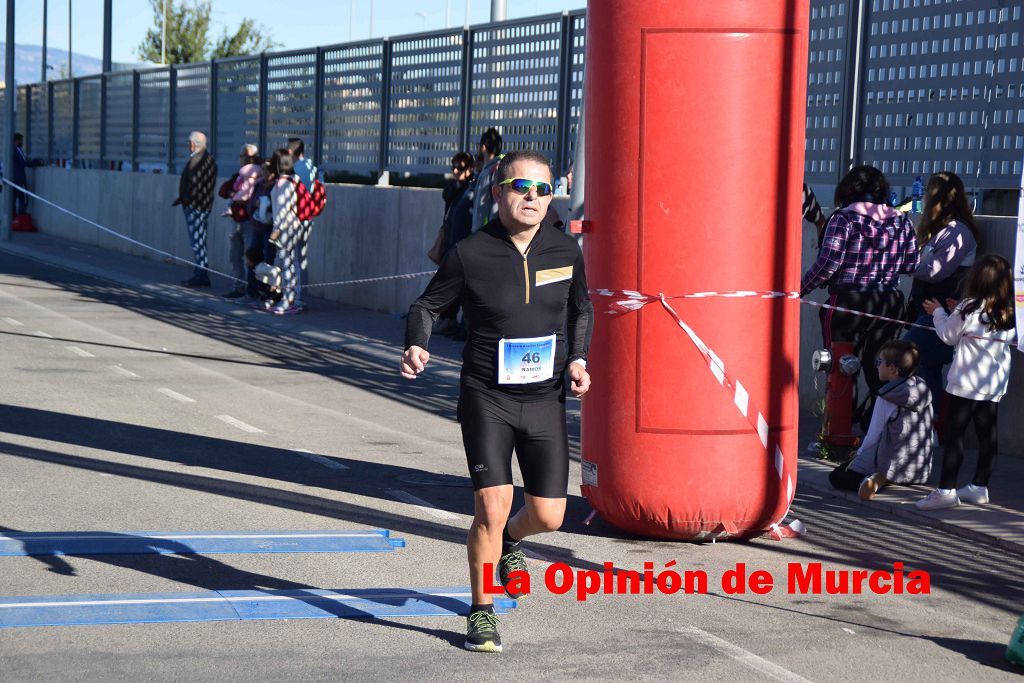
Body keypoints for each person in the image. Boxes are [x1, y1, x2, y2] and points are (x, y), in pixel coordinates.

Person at [401, 150, 594, 653]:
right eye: (521, 187)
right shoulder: (471, 251)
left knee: (550, 515)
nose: (532, 198)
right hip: (487, 396)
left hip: (545, 398)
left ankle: (513, 539)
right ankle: (481, 611)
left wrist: (579, 360)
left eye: (542, 190)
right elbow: (427, 305)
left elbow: (581, 310)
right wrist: (417, 342)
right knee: (492, 503)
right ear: (498, 192)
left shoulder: (565, 251)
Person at [800, 165, 919, 430]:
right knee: (881, 366)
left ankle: (839, 433)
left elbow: (828, 264)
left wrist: (801, 288)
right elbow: (912, 264)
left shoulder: (843, 219)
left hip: (847, 303)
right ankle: (875, 427)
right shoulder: (901, 221)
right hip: (888, 302)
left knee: (840, 365)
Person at [915, 255, 1016, 510]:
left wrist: (938, 312)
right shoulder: (1010, 311)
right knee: (987, 435)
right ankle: (979, 486)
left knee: (955, 435)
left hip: (964, 383)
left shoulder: (969, 307)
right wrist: (954, 311)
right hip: (992, 384)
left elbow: (948, 336)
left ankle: (946, 490)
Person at [901, 171, 978, 423]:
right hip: (927, 310)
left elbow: (936, 272)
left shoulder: (958, 232)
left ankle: (930, 425)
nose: (922, 197)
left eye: (927, 192)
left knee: (912, 355)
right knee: (926, 367)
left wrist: (903, 263)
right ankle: (930, 425)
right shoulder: (940, 230)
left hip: (942, 313)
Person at [828, 340, 933, 500]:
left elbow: (873, 434)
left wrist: (860, 453)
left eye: (879, 362)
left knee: (837, 476)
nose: (876, 365)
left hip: (891, 464)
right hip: (920, 469)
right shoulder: (922, 387)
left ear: (892, 369)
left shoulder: (888, 396)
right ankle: (881, 477)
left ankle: (872, 480)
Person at [433, 151, 476, 337]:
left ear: (470, 169)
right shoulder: (454, 188)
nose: (457, 171)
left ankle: (453, 321)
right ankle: (446, 319)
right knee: (446, 283)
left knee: (458, 285)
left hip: (461, 242)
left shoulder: (471, 189)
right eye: (454, 167)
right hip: (449, 239)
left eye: (461, 167)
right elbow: (447, 197)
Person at [173, 131, 218, 288]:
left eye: (188, 143)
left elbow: (195, 185)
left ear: (194, 144)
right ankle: (200, 271)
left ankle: (201, 273)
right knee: (198, 241)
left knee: (197, 242)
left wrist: (187, 201)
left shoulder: (200, 161)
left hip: (197, 206)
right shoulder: (204, 159)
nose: (187, 146)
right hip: (199, 205)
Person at [223, 144, 263, 298]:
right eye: (242, 156)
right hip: (235, 219)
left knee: (249, 257)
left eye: (248, 156)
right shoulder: (238, 175)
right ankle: (238, 286)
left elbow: (255, 197)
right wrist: (234, 193)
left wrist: (245, 199)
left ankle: (251, 289)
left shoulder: (259, 176)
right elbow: (224, 190)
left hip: (249, 222)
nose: (244, 160)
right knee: (234, 256)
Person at [267, 149, 301, 315]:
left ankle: (288, 300)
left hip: (284, 228)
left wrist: (276, 230)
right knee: (288, 263)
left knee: (286, 263)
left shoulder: (283, 182)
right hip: (292, 226)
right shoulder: (293, 180)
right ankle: (288, 298)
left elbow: (282, 207)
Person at [287, 137, 318, 311]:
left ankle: (298, 297)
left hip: (298, 217)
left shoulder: (298, 170)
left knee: (295, 259)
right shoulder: (311, 167)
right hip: (308, 217)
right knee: (300, 257)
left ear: (291, 152)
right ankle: (299, 295)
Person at [470, 127, 503, 233]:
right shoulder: (486, 170)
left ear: (483, 147)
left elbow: (495, 207)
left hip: (484, 234)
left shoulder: (494, 170)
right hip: (479, 234)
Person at [10, 133, 30, 215]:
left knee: (12, 200)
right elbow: (24, 162)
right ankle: (20, 219)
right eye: (21, 140)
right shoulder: (17, 149)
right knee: (24, 198)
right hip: (19, 179)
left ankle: (13, 220)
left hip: (11, 179)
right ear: (17, 141)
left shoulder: (9, 150)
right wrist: (37, 162)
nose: (22, 142)